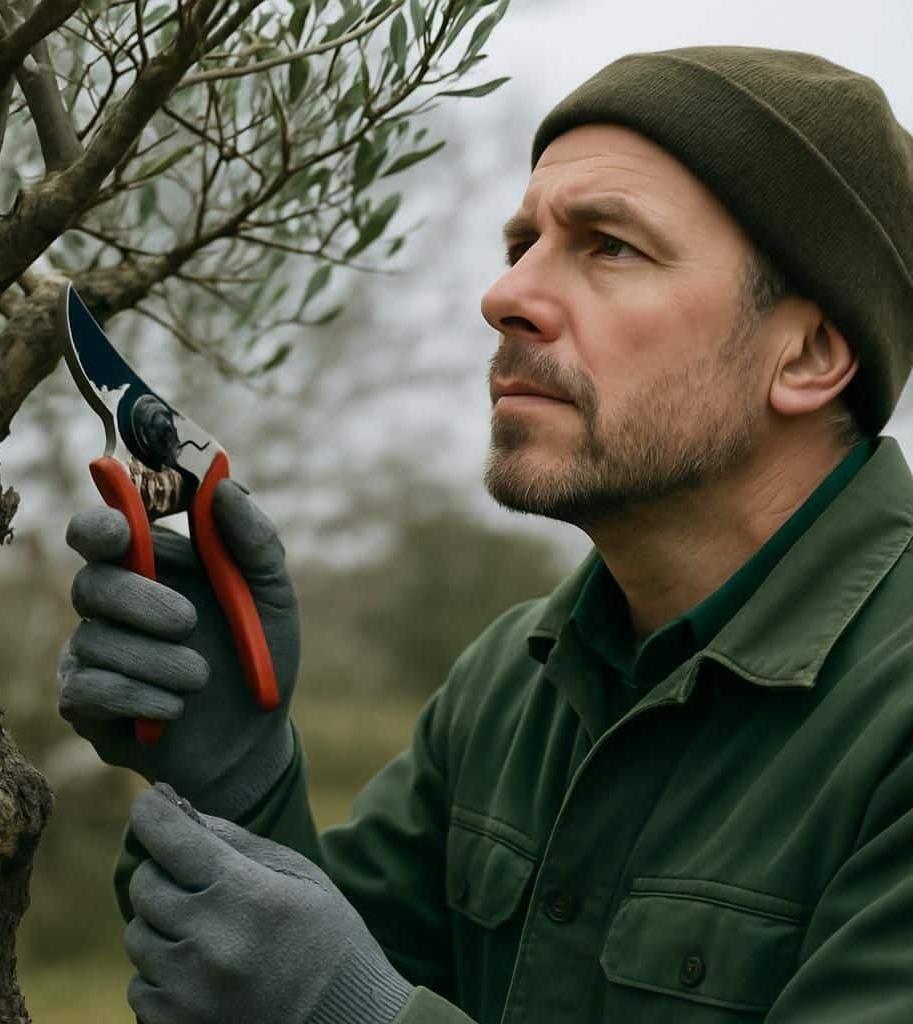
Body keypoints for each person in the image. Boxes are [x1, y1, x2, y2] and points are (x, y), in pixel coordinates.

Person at [58, 45, 913, 1024]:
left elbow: (339, 994)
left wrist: (351, 1015)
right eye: (522, 246)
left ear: (805, 354)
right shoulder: (511, 683)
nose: (504, 297)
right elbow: (276, 962)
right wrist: (238, 774)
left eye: (609, 246)